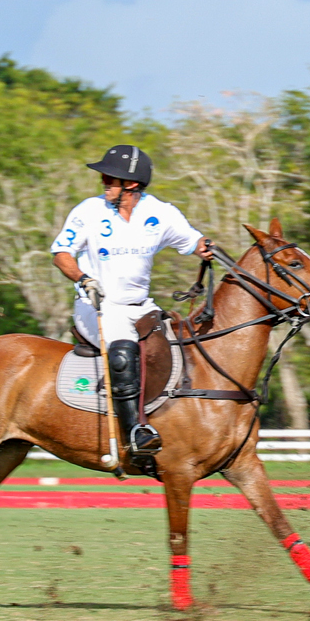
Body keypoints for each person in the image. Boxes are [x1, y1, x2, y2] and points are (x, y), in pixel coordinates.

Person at [50, 144, 213, 458]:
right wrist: (84, 279)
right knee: (124, 352)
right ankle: (135, 433)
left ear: (132, 185)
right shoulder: (89, 211)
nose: (104, 183)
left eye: (110, 178)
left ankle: (180, 424)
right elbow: (61, 255)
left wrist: (206, 248)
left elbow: (192, 240)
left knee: (176, 345)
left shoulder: (161, 213)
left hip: (140, 306)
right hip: (95, 305)